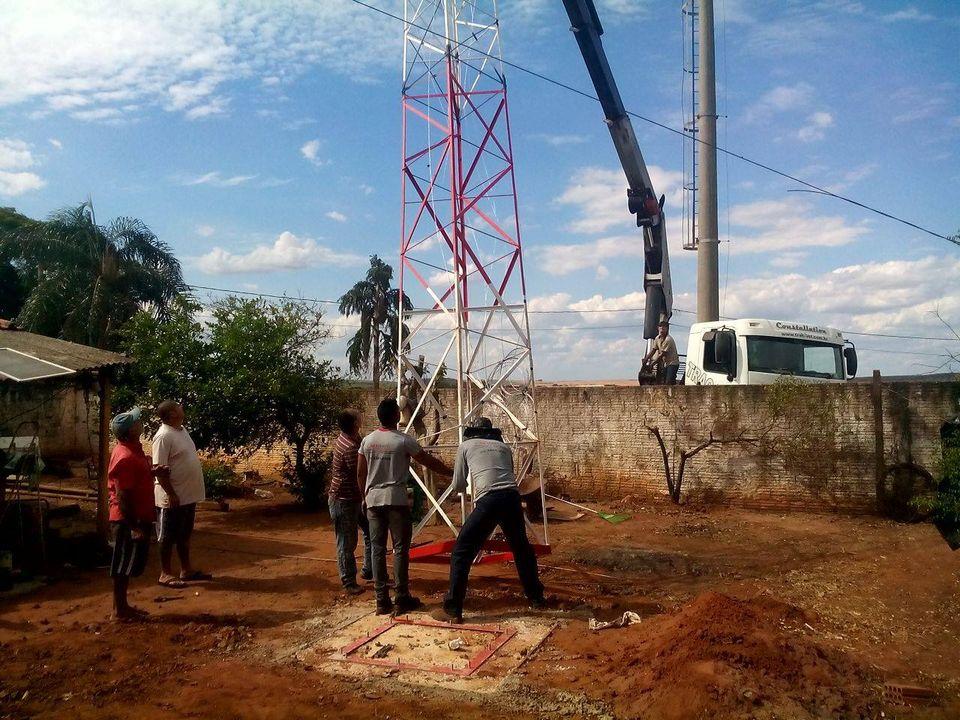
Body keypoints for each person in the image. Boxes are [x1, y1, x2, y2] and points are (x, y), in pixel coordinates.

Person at [433, 417, 545, 624]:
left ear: (473, 431)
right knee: (521, 549)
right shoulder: (503, 447)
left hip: (489, 500)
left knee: (462, 551)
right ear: (491, 432)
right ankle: (536, 597)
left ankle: (453, 608)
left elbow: (458, 484)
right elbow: (507, 474)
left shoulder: (465, 446)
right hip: (512, 498)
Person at [358, 398, 452, 615]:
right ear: (396, 417)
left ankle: (381, 600)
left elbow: (361, 472)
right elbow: (426, 460)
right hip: (396, 501)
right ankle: (401, 597)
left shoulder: (368, 441)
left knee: (377, 549)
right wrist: (449, 472)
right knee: (400, 549)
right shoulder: (403, 441)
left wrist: (364, 496)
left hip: (373, 501)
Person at [107, 407, 167, 621]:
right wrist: (133, 526)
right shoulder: (124, 456)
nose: (140, 423)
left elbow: (135, 479)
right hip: (127, 518)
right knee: (122, 565)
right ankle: (118, 610)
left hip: (135, 516)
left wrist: (153, 472)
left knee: (126, 563)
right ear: (130, 431)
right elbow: (123, 495)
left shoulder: (131, 450)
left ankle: (122, 607)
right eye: (136, 422)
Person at [152, 400, 210, 588]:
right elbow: (158, 469)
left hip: (187, 496)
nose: (182, 407)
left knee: (184, 534)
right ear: (171, 415)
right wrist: (171, 493)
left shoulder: (181, 430)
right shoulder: (163, 437)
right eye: (178, 406)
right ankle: (165, 573)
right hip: (171, 497)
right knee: (166, 536)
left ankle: (186, 570)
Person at [328, 409, 372, 595]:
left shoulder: (352, 439)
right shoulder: (350, 447)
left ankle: (369, 569)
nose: (361, 417)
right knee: (347, 542)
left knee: (370, 531)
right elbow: (361, 473)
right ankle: (348, 581)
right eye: (358, 416)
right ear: (355, 423)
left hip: (352, 498)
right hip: (345, 500)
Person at [643, 318, 680, 385]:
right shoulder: (657, 338)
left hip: (673, 363)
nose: (662, 330)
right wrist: (645, 359)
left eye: (664, 329)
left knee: (668, 381)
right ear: (658, 328)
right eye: (660, 328)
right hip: (666, 363)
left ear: (667, 329)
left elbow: (662, 355)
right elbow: (653, 350)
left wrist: (652, 364)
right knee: (665, 381)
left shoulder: (668, 340)